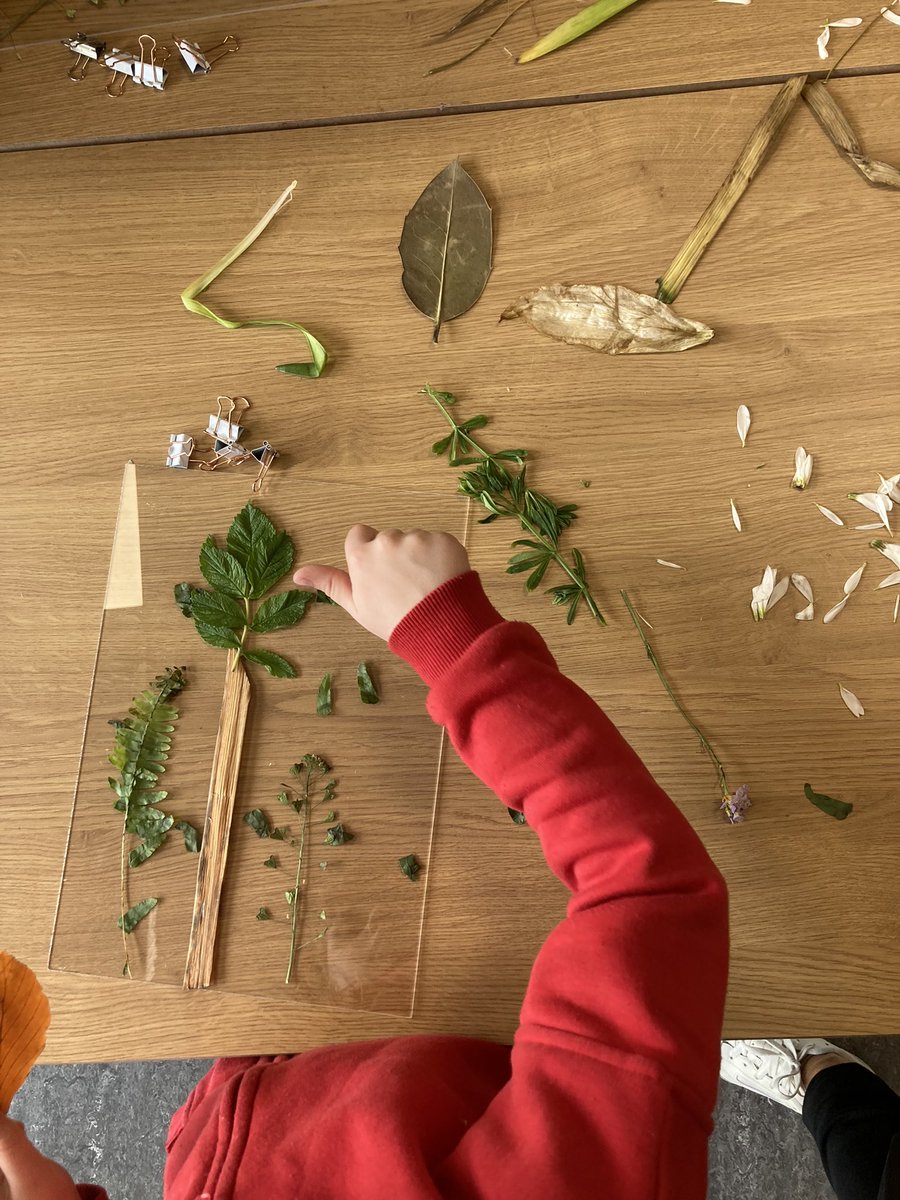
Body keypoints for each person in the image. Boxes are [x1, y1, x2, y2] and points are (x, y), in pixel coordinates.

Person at [0, 526, 897, 1200]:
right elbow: (651, 895)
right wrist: (457, 647)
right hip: (493, 1044)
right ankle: (833, 1086)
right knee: (871, 1147)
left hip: (296, 1087)